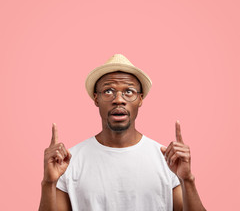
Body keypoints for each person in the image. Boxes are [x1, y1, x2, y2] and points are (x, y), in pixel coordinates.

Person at [39, 54, 206, 211]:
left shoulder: (168, 161)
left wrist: (187, 180)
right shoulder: (69, 161)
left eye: (129, 92)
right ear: (96, 98)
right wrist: (48, 183)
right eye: (108, 91)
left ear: (140, 99)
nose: (118, 99)